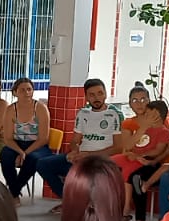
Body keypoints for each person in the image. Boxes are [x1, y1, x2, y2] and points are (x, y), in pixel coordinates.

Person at [36, 78, 126, 213]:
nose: (97, 98)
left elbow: (118, 148)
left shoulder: (114, 114)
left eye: (100, 93)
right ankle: (69, 200)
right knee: (42, 164)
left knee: (85, 174)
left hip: (101, 159)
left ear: (105, 94)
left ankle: (83, 203)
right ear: (86, 97)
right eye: (92, 95)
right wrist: (74, 151)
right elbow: (75, 141)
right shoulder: (83, 113)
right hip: (81, 156)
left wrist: (88, 155)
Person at [0, 77, 53, 203]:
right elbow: (8, 138)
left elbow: (43, 138)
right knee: (5, 154)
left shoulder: (40, 108)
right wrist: (20, 151)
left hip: (38, 145)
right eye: (22, 90)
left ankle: (13, 192)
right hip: (17, 143)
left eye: (29, 89)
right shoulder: (11, 110)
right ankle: (14, 192)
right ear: (15, 92)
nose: (27, 93)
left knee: (32, 158)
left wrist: (25, 153)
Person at [117, 99, 169, 220]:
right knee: (112, 166)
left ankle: (131, 212)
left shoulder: (164, 132)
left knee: (133, 176)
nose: (145, 117)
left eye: (148, 115)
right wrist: (132, 154)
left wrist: (139, 156)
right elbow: (131, 145)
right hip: (135, 158)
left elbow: (157, 151)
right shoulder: (143, 129)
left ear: (158, 116)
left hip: (149, 163)